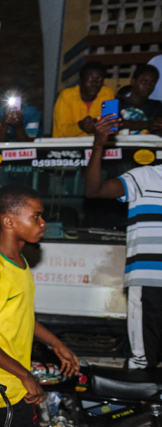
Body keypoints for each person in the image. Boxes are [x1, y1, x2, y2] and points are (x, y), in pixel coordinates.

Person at [0, 185, 80, 427]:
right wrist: (25, 375)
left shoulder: (20, 263)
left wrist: (57, 344)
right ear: (9, 221)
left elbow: (23, 317)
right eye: (36, 217)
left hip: (15, 385)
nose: (43, 224)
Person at [86, 115, 162, 369]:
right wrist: (98, 146)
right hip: (151, 281)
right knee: (146, 362)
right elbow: (94, 190)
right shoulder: (146, 177)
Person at [52, 62, 114, 137]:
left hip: (96, 143)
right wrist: (80, 126)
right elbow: (61, 131)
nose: (94, 83)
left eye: (99, 79)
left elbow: (110, 125)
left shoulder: (107, 93)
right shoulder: (66, 96)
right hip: (68, 145)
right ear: (80, 81)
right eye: (90, 79)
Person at [117, 64, 162, 135]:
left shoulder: (156, 106)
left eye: (152, 83)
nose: (148, 86)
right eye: (144, 82)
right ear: (133, 82)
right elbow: (111, 125)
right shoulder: (116, 103)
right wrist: (147, 124)